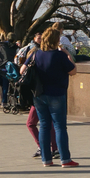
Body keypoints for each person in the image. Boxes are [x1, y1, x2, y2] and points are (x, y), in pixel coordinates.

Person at [22, 27, 78, 167]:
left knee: (44, 126)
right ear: (56, 40)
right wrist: (68, 55)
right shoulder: (59, 56)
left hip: (39, 94)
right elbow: (73, 71)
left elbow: (22, 70)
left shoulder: (36, 54)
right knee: (59, 127)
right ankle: (65, 159)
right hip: (57, 93)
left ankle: (46, 160)